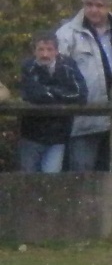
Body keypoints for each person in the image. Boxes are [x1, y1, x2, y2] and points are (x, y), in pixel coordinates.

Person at [56, 0, 112, 171]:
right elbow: (58, 73)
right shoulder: (67, 34)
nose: (94, 10)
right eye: (89, 4)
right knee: (83, 176)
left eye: (99, 5)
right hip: (84, 120)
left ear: (109, 6)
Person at [19, 31, 88, 173]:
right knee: (28, 178)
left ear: (56, 51)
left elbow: (81, 94)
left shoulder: (68, 66)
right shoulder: (28, 67)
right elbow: (33, 94)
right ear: (34, 51)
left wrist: (50, 92)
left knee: (52, 178)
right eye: (41, 49)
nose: (45, 54)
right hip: (31, 134)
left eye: (49, 49)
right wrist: (61, 94)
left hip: (58, 135)